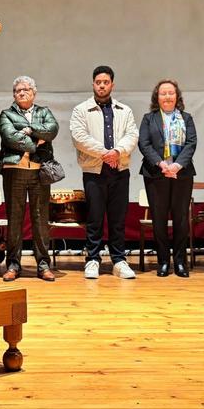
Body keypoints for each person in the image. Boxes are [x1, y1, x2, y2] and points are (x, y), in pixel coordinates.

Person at [70, 66, 138, 279]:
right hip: (94, 171)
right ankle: (92, 260)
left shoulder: (124, 110)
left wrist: (117, 152)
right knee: (95, 218)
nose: (101, 85)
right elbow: (79, 137)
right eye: (98, 82)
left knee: (118, 219)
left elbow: (132, 134)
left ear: (112, 85)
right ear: (93, 84)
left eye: (106, 82)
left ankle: (119, 260)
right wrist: (105, 153)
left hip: (120, 170)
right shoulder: (81, 110)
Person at [0, 76, 59, 281]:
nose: (21, 93)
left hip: (39, 171)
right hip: (14, 170)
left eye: (25, 89)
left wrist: (30, 130)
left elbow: (52, 130)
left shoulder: (44, 112)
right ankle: (13, 265)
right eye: (17, 90)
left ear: (34, 92)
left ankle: (43, 265)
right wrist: (36, 141)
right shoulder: (6, 114)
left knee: (40, 220)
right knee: (14, 220)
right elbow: (10, 138)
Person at [138, 79, 197, 277]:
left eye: (171, 93)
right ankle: (163, 261)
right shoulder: (149, 118)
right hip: (156, 173)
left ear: (177, 96)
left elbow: (191, 143)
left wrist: (177, 165)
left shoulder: (186, 118)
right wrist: (162, 164)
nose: (167, 96)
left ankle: (180, 262)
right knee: (159, 219)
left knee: (181, 219)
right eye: (163, 93)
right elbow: (144, 144)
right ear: (157, 97)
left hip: (182, 174)